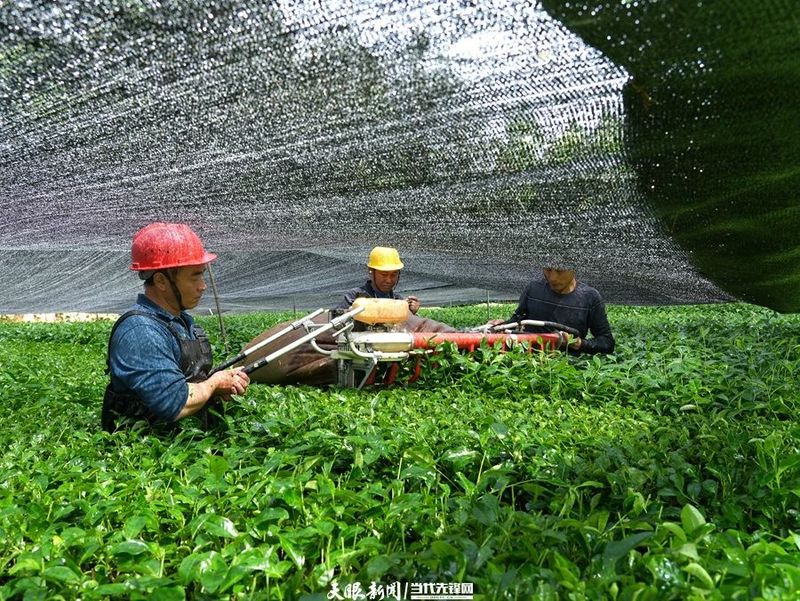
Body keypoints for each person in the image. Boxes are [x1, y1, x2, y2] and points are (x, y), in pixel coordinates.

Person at [102, 222, 249, 431]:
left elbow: (189, 381)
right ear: (162, 281)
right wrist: (213, 384)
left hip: (192, 445)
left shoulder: (182, 323)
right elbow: (173, 402)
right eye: (195, 276)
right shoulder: (142, 331)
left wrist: (216, 387)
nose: (203, 286)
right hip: (153, 449)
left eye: (202, 275)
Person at [498, 266, 615, 354]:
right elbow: (517, 321)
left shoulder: (590, 297)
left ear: (574, 268)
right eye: (548, 269)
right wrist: (501, 326)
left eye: (560, 270)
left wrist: (580, 344)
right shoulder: (533, 289)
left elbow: (607, 342)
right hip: (528, 361)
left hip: (565, 369)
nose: (552, 278)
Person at [338, 246, 420, 314]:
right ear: (371, 272)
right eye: (384, 274)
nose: (389, 280)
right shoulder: (355, 296)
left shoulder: (398, 301)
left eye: (393, 275)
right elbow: (337, 321)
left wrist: (409, 313)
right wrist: (351, 313)